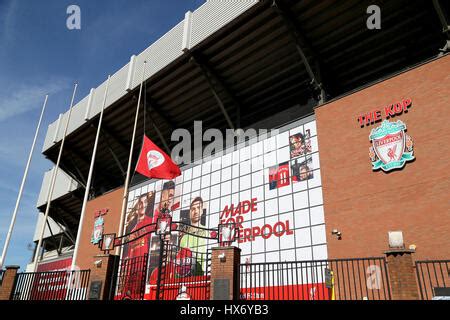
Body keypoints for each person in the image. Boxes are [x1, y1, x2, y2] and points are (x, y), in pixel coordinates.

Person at [179, 197, 208, 276]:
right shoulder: (184, 238)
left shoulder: (207, 232)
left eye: (198, 208)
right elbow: (181, 259)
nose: (196, 211)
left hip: (204, 274)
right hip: (188, 275)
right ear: (190, 212)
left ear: (202, 211)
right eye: (193, 209)